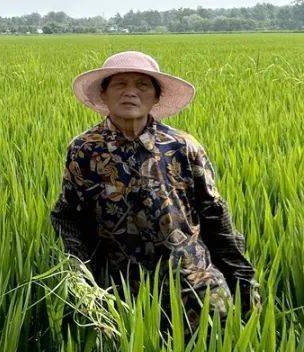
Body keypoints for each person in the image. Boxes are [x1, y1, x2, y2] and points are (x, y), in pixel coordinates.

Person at [51, 51, 259, 322]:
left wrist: (244, 282)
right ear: (104, 94)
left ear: (156, 96)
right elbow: (69, 216)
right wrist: (81, 278)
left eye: (142, 85)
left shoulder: (183, 146)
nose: (130, 93)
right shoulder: (85, 149)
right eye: (120, 84)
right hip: (122, 292)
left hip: (194, 286)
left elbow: (215, 216)